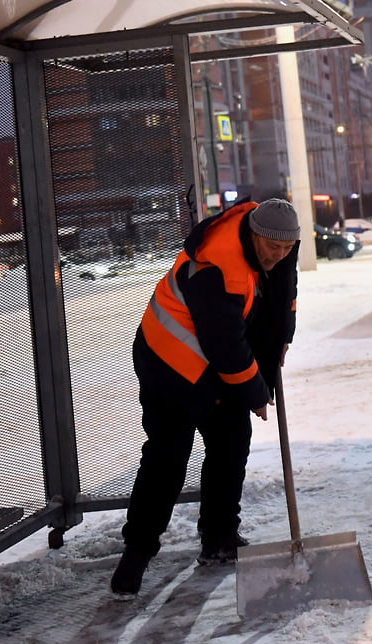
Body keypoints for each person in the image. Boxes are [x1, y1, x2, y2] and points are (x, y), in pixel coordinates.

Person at [110, 198, 300, 596]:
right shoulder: (218, 266)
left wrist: (283, 336)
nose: (279, 257)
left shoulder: (276, 247)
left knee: (231, 444)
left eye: (287, 249)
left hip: (213, 365)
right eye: (273, 249)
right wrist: (255, 393)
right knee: (168, 458)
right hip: (169, 363)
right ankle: (136, 556)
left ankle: (219, 539)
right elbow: (225, 345)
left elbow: (284, 295)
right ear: (254, 235)